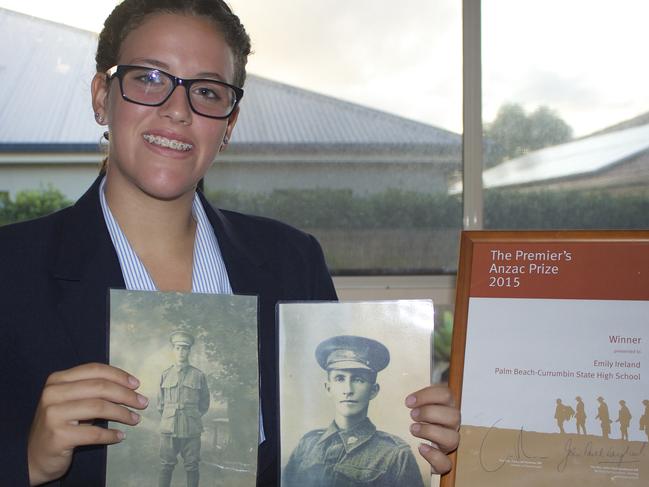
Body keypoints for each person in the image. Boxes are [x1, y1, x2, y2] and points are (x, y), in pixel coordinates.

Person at [0, 1, 460, 486]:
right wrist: (26, 461)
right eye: (149, 79)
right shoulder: (11, 269)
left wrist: (417, 434)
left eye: (206, 91)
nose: (177, 110)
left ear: (229, 125)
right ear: (101, 96)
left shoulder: (291, 260)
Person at [282, 335, 425, 486]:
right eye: (339, 379)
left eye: (358, 379)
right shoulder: (307, 445)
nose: (348, 390)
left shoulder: (394, 454)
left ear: (373, 390)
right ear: (328, 388)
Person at [157, 331, 210, 487]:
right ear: (173, 350)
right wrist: (169, 417)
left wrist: (192, 416)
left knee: (192, 466)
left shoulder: (198, 375)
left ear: (189, 351)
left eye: (185, 348)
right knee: (166, 465)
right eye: (178, 348)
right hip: (169, 428)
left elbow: (204, 403)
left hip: (191, 429)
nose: (181, 352)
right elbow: (160, 405)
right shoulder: (165, 375)